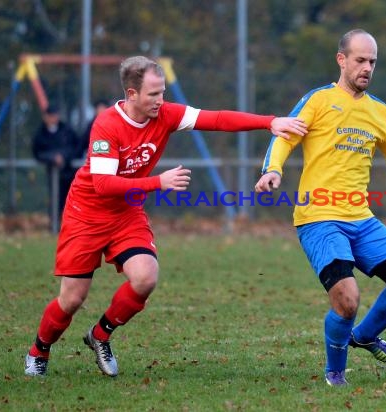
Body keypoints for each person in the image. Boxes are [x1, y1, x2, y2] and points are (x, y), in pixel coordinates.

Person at [24, 56, 307, 377]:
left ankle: (100, 335)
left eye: (162, 92)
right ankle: (38, 351)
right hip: (86, 214)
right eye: (153, 94)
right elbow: (102, 185)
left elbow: (215, 119)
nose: (161, 100)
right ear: (131, 94)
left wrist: (269, 122)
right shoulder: (106, 124)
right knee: (72, 298)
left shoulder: (166, 114)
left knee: (146, 276)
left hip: (126, 213)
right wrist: (158, 182)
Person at [254, 29, 386, 387]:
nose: (367, 67)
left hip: (361, 219)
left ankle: (365, 336)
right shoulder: (318, 100)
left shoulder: (378, 111)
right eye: (360, 60)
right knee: (347, 299)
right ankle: (335, 373)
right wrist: (272, 170)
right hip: (319, 219)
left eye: (372, 61)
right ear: (342, 60)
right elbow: (284, 136)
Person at [32, 104, 81, 227]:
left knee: (71, 199)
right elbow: (37, 152)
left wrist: (64, 157)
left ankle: (72, 225)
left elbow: (76, 147)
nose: (53, 118)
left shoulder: (67, 130)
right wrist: (52, 158)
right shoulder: (40, 134)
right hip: (53, 173)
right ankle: (55, 225)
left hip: (70, 172)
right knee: (55, 200)